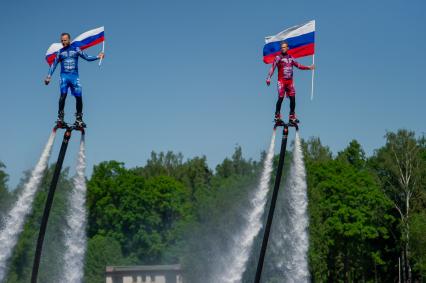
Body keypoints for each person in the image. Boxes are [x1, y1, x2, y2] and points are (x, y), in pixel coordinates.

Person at [44, 32, 104, 127]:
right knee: (63, 95)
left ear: (69, 40)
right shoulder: (60, 52)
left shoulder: (76, 49)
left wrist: (98, 56)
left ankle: (79, 119)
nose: (63, 42)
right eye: (62, 40)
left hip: (74, 77)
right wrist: (48, 76)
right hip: (64, 77)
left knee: (79, 97)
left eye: (65, 40)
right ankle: (60, 117)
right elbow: (54, 64)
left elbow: (86, 57)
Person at [266, 41, 314, 124]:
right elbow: (273, 67)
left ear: (287, 48)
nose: (283, 49)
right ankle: (277, 116)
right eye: (282, 47)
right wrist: (268, 77)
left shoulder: (291, 58)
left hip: (290, 82)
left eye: (284, 47)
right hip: (281, 82)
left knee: (293, 99)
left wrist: (309, 67)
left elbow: (299, 65)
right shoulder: (278, 57)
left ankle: (292, 116)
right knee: (281, 98)